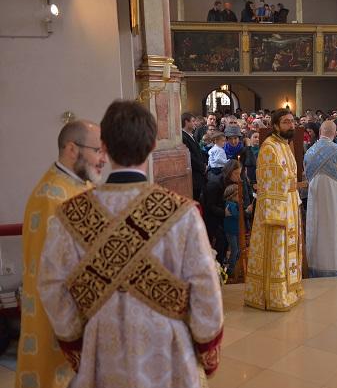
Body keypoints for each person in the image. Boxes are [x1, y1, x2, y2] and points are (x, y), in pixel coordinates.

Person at [38, 100, 223, 388]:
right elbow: (205, 290)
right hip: (168, 351)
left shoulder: (70, 214)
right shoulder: (183, 213)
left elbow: (51, 287)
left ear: (104, 147)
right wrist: (206, 350)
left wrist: (77, 344)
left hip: (102, 349)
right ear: (153, 145)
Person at [17, 120, 106, 388]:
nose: (103, 159)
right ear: (71, 149)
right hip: (58, 321)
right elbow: (53, 276)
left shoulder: (79, 186)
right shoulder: (51, 197)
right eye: (97, 151)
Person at [245, 108, 304, 311]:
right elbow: (268, 181)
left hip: (290, 205)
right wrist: (291, 187)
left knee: (289, 251)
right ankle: (274, 296)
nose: (291, 125)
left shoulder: (285, 145)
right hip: (277, 209)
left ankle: (289, 290)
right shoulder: (269, 147)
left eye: (292, 121)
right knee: (277, 251)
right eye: (286, 122)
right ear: (276, 125)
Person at [304, 121, 337, 277]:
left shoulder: (309, 152)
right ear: (334, 133)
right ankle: (336, 267)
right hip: (334, 198)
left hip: (315, 198)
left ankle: (316, 267)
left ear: (320, 131)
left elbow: (306, 177)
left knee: (317, 229)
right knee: (335, 230)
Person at [182, 112, 207, 202]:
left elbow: (198, 152)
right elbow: (190, 156)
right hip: (194, 175)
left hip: (199, 173)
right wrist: (202, 167)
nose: (195, 123)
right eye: (193, 121)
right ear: (186, 122)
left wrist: (204, 163)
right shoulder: (183, 137)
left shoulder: (191, 135)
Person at [223, 184, 241, 276]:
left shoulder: (233, 204)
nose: (240, 197)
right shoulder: (230, 204)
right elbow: (236, 215)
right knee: (235, 250)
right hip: (231, 231)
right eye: (238, 195)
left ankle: (235, 267)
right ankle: (230, 270)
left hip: (235, 230)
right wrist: (246, 211)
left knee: (238, 250)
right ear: (232, 195)